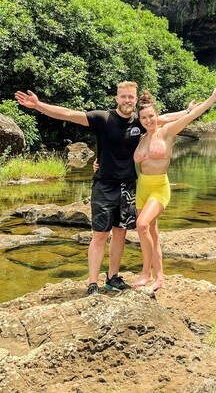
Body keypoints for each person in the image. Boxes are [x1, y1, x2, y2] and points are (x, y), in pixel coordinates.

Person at [14, 82, 192, 296]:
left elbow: (164, 118)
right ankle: (92, 283)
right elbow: (69, 114)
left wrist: (189, 111)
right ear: (117, 98)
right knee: (100, 235)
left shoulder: (140, 121)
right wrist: (39, 105)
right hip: (104, 185)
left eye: (131, 97)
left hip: (128, 186)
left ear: (135, 100)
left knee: (120, 233)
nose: (127, 100)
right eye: (123, 96)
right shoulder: (102, 118)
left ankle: (112, 278)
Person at [132, 85, 216, 292]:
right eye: (144, 118)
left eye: (151, 116)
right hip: (142, 189)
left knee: (142, 225)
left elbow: (192, 116)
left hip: (159, 188)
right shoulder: (139, 138)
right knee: (152, 234)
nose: (148, 120)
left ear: (158, 116)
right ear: (140, 120)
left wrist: (212, 99)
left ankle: (146, 272)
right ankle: (160, 278)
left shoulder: (167, 132)